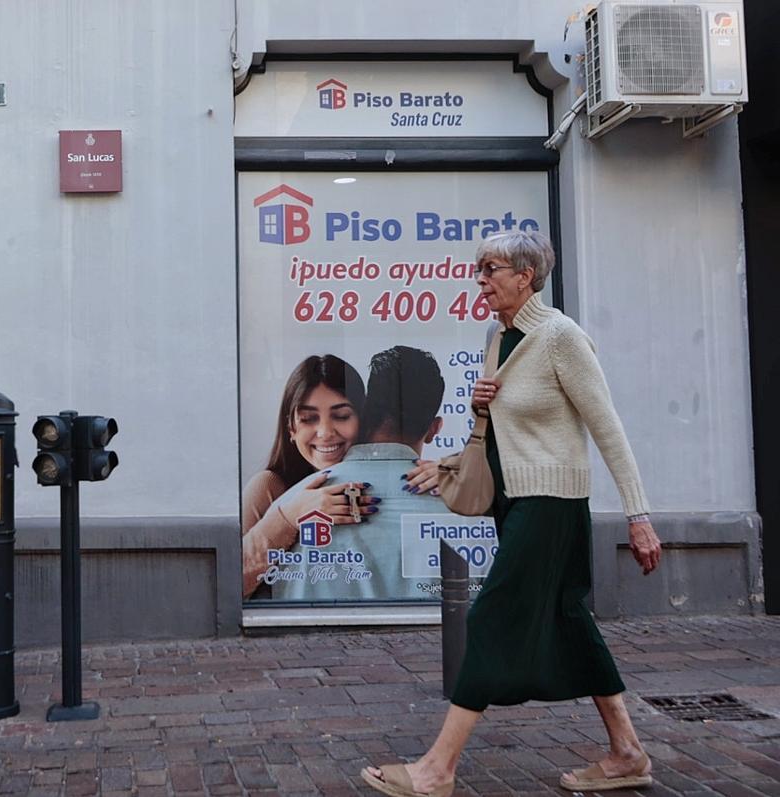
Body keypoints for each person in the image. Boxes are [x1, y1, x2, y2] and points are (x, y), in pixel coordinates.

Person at [360, 229, 663, 797]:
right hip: (514, 499)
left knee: (491, 616)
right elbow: (505, 436)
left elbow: (608, 428)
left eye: (491, 269)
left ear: (525, 276)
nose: (480, 279)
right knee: (568, 618)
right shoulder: (497, 338)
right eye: (479, 269)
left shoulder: (560, 337)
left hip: (553, 504)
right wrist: (452, 456)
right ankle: (627, 751)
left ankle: (437, 769)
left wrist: (638, 515)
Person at [271, 346, 448, 602]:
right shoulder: (463, 506)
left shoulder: (293, 504)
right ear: (435, 429)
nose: (325, 432)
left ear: (364, 417)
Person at [241, 354, 374, 599]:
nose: (325, 432)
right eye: (308, 419)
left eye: (341, 416)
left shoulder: (378, 481)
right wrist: (289, 517)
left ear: (362, 421)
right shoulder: (268, 488)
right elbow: (230, 588)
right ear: (291, 428)